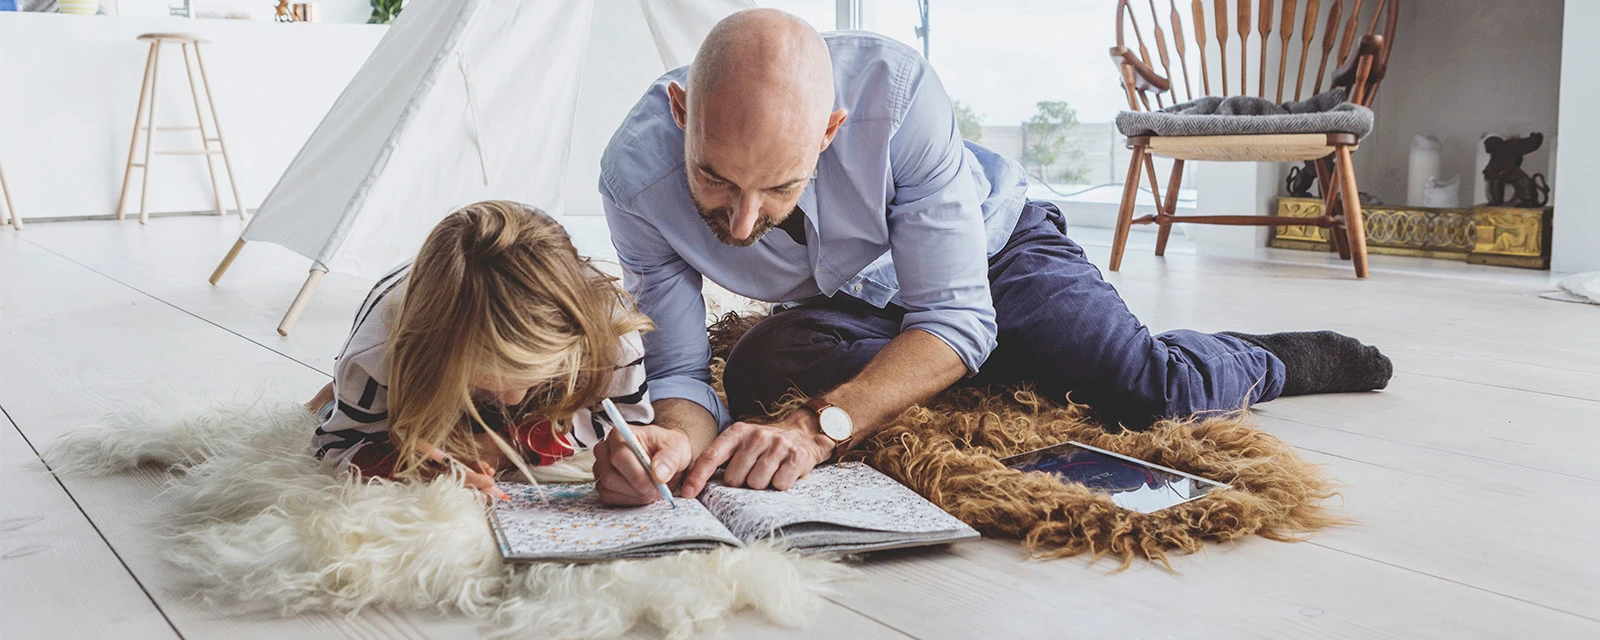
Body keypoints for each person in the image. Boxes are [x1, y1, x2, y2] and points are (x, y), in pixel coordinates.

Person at [593, 9, 1392, 506]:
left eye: (777, 189)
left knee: (1147, 391)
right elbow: (679, 373)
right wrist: (675, 442)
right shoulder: (634, 180)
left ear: (830, 133)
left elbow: (955, 312)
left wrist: (821, 426)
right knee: (758, 375)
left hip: (994, 250)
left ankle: (1277, 359)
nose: (740, 223)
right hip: (851, 300)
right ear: (680, 111)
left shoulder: (896, 92)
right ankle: (975, 367)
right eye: (713, 178)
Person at [306, 200, 657, 500]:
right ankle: (336, 391)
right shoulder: (377, 353)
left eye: (531, 373)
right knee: (366, 415)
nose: (514, 399)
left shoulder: (612, 331)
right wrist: (417, 472)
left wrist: (510, 448)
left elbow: (629, 420)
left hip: (560, 385)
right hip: (417, 377)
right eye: (491, 377)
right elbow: (335, 446)